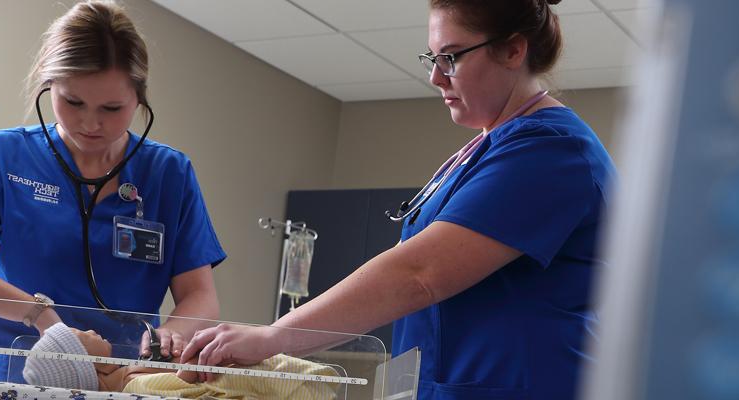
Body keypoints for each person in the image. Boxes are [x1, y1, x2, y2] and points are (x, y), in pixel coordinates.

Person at [180, 0, 615, 398]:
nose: (435, 76)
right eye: (432, 58)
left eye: (451, 57)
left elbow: (419, 273)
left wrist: (273, 337)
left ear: (513, 50)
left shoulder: (552, 152)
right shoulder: (487, 150)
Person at [0, 0, 223, 382]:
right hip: (12, 375)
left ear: (139, 98)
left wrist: (169, 337)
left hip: (120, 378)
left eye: (111, 108)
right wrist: (39, 315)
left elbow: (200, 296)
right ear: (48, 83)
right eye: (73, 102)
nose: (90, 123)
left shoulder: (169, 174)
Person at [21, 323, 338, 399]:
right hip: (240, 382)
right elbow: (179, 384)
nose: (90, 329)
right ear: (93, 366)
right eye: (81, 336)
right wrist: (190, 364)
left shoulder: (129, 374)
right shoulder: (134, 387)